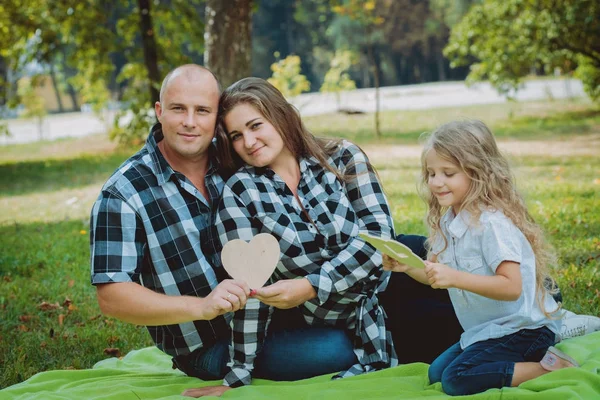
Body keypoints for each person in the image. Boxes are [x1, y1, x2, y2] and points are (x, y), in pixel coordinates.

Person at [89, 65, 358, 397]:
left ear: (216, 119)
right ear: (159, 112)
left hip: (282, 310)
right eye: (178, 109)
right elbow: (112, 297)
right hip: (211, 344)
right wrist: (201, 306)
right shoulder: (124, 193)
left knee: (403, 270)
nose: (190, 121)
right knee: (339, 348)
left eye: (202, 110)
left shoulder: (237, 159)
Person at [190, 77, 397, 395]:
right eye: (236, 136)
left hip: (390, 289)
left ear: (280, 115)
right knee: (338, 352)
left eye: (255, 125)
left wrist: (313, 285)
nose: (248, 141)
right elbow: (250, 286)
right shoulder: (241, 193)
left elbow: (380, 238)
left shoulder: (341, 156)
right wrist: (237, 376)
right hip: (326, 318)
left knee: (453, 316)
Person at [383, 120, 580, 396]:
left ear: (476, 173)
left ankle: (552, 367)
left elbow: (511, 287)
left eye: (448, 173)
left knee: (456, 380)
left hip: (525, 329)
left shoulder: (491, 225)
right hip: (488, 331)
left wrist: (456, 278)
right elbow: (437, 276)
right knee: (436, 372)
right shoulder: (448, 222)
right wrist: (409, 267)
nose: (436, 182)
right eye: (431, 173)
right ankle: (520, 362)